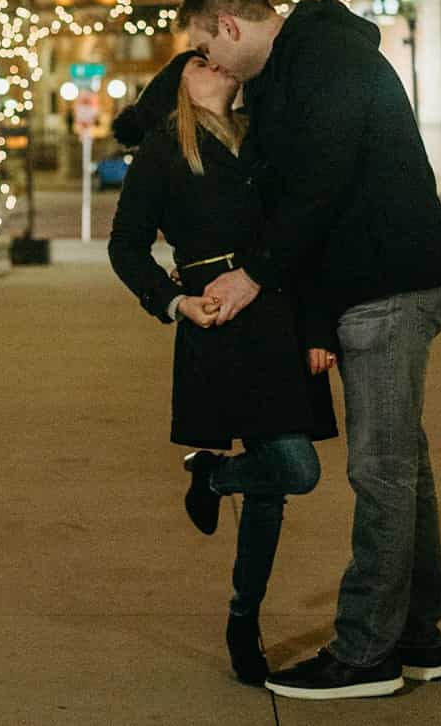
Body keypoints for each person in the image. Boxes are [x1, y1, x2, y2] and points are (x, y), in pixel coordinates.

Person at [179, 0, 441, 702]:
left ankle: (366, 653)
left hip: (389, 283)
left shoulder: (326, 54)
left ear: (232, 25)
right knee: (404, 467)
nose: (209, 62)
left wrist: (255, 276)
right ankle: (416, 637)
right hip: (369, 287)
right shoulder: (285, 79)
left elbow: (322, 180)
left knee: (381, 471)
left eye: (207, 46)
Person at [108, 48, 338, 687]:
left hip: (283, 316)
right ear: (178, 87)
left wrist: (320, 326)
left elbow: (303, 234)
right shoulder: (163, 150)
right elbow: (125, 246)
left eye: (217, 58)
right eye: (200, 62)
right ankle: (211, 476)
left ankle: (243, 616)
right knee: (295, 470)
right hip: (222, 322)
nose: (216, 65)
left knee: (271, 489)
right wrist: (174, 302)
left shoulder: (265, 138)